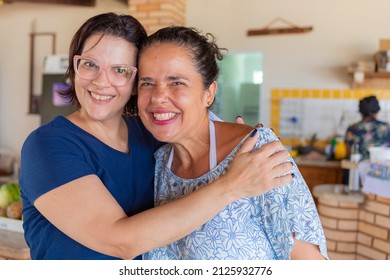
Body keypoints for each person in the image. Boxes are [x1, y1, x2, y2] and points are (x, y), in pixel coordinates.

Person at [19, 13, 293, 260]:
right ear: (74, 66)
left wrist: (231, 137)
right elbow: (120, 242)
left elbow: (189, 122)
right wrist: (232, 186)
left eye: (121, 70)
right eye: (90, 64)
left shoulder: (149, 135)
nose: (101, 81)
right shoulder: (47, 146)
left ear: (137, 82)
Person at [137, 26, 328, 260]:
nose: (157, 97)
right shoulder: (159, 163)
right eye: (146, 83)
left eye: (176, 82)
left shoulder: (258, 150)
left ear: (209, 93)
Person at [344, 95, 390, 160]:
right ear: (377, 112)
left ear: (360, 112)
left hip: (356, 168)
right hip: (381, 168)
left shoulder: (352, 129)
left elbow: (348, 152)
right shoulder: (386, 128)